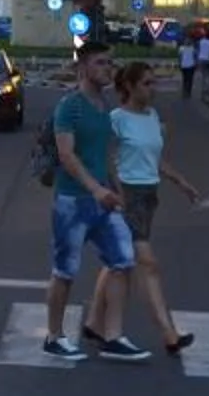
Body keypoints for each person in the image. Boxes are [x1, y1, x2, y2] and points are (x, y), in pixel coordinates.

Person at [43, 41, 148, 361]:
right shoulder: (70, 106)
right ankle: (54, 336)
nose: (108, 69)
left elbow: (103, 155)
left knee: (123, 260)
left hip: (103, 199)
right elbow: (66, 155)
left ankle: (112, 336)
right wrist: (95, 189)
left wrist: (116, 191)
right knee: (65, 270)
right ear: (84, 67)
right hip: (72, 202)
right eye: (101, 63)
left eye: (110, 63)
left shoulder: (104, 106)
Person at [109, 59, 202, 355]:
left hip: (149, 195)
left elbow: (155, 159)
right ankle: (169, 333)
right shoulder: (116, 119)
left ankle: (94, 324)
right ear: (129, 87)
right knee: (148, 264)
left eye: (154, 83)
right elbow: (106, 159)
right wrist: (117, 195)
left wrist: (181, 181)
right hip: (128, 195)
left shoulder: (152, 117)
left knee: (117, 261)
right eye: (147, 84)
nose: (153, 89)